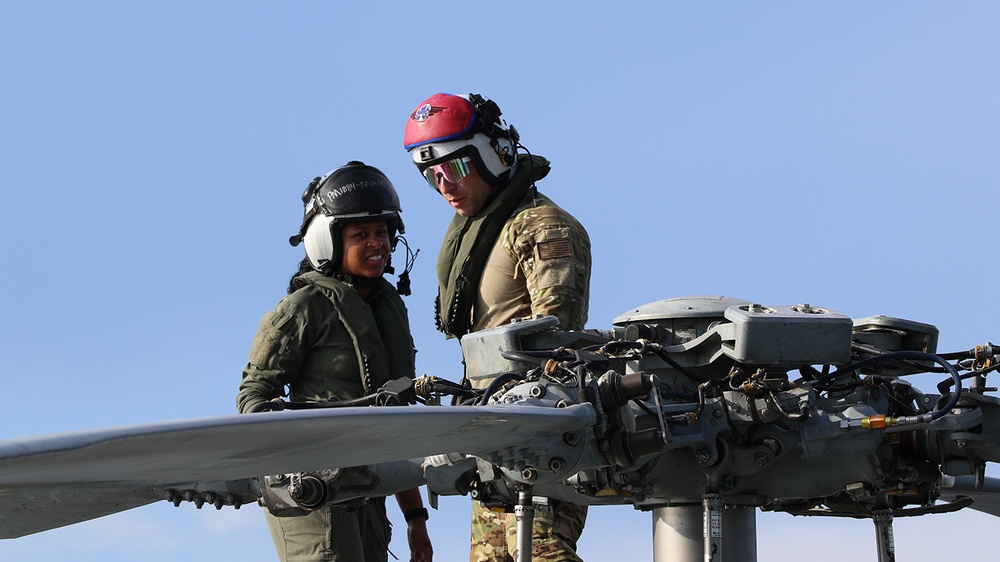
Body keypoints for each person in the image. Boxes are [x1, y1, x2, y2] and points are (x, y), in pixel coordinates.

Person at [403, 93, 592, 562]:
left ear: (493, 156)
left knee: (543, 551)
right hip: (489, 433)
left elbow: (556, 338)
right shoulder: (480, 234)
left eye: (455, 167)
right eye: (431, 174)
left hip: (540, 431)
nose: (443, 183)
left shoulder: (541, 227)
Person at [237, 161, 433, 562]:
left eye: (382, 232)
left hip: (368, 493)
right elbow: (253, 398)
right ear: (327, 241)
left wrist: (415, 518)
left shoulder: (388, 308)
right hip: (313, 495)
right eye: (361, 234)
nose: (378, 243)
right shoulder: (301, 308)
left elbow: (395, 424)